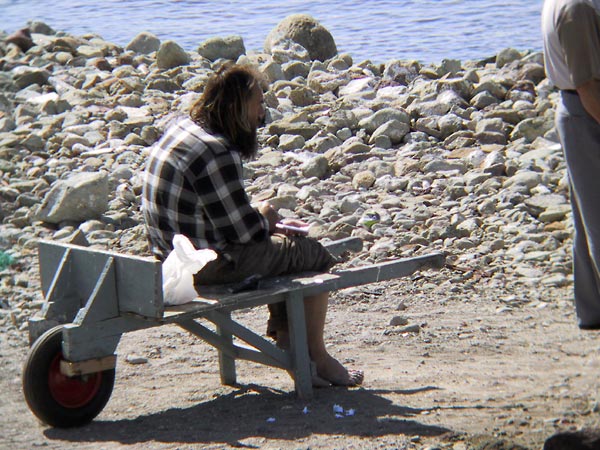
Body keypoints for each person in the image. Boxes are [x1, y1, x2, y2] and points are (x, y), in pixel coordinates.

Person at [141, 63, 363, 386]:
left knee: (281, 251)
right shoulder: (217, 150)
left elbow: (218, 211)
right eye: (258, 105)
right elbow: (244, 233)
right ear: (237, 107)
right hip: (200, 268)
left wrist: (260, 218)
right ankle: (315, 355)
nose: (262, 116)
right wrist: (267, 219)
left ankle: (290, 340)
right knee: (311, 254)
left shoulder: (183, 130)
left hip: (167, 258)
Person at [542, 0, 600, 329]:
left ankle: (592, 311)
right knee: (597, 222)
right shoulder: (578, 8)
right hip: (587, 111)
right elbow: (588, 85)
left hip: (576, 109)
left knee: (588, 218)